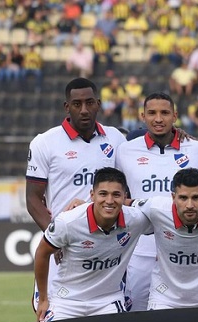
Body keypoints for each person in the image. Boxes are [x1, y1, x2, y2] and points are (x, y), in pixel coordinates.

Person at [26, 78, 127, 310]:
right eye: (77, 104)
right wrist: (56, 238)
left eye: (89, 103)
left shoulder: (116, 139)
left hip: (105, 247)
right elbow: (33, 199)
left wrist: (179, 133)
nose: (84, 110)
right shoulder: (45, 142)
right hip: (62, 248)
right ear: (66, 107)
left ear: (98, 104)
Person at [115, 92, 198, 312]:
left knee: (187, 315)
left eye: (164, 113)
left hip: (186, 249)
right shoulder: (125, 151)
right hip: (141, 248)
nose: (158, 119)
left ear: (175, 116)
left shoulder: (197, 150)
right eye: (152, 113)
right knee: (138, 314)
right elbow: (115, 193)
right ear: (142, 116)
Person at [33, 167, 152, 322]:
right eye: (103, 194)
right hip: (67, 300)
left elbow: (166, 221)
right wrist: (43, 299)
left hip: (108, 301)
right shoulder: (69, 222)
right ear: (92, 195)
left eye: (116, 195)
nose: (109, 201)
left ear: (125, 197)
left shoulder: (136, 220)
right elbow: (42, 253)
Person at [132, 168, 198, 309]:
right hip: (164, 298)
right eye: (183, 198)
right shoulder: (155, 208)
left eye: (196, 198)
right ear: (173, 197)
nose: (190, 205)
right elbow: (124, 205)